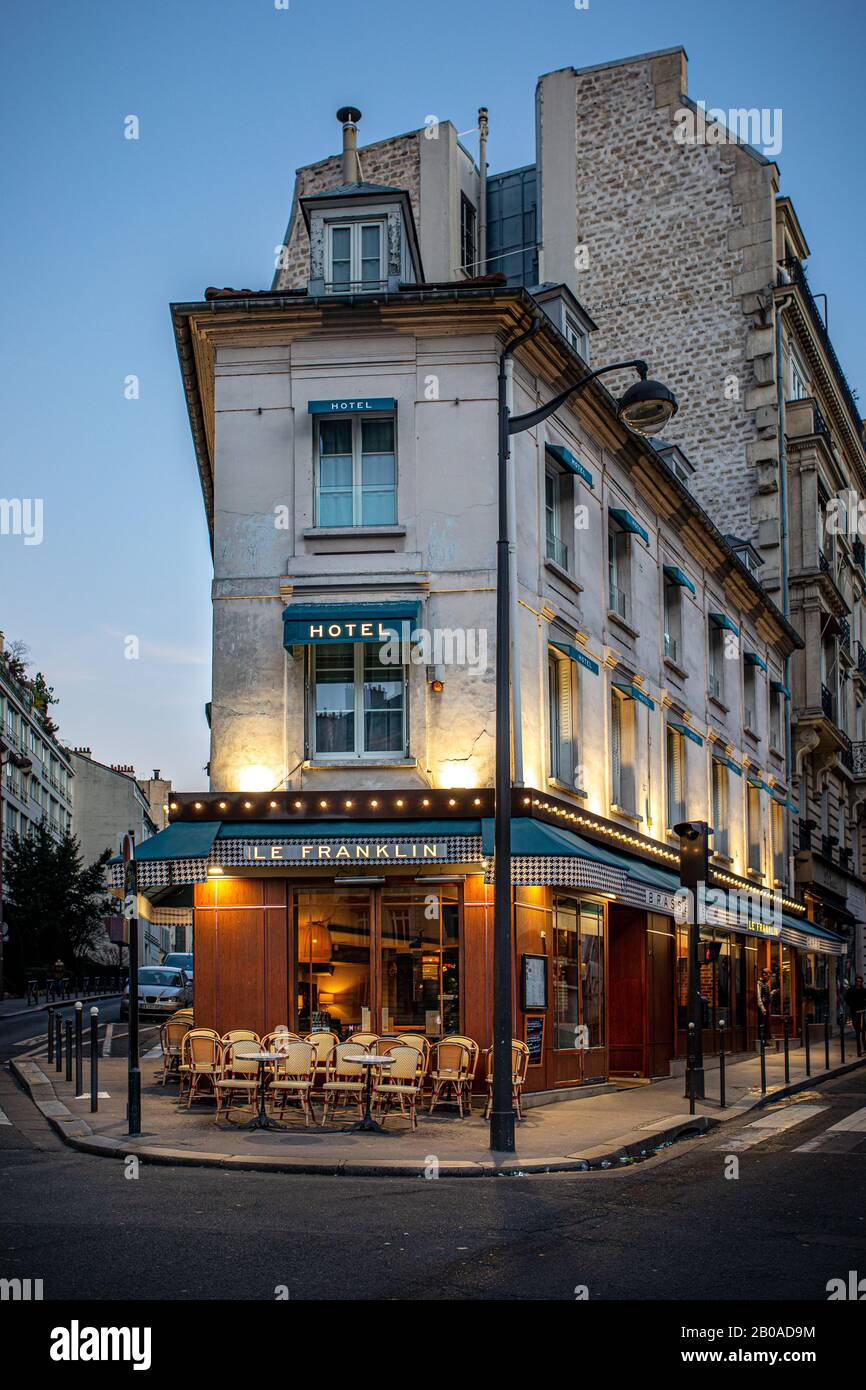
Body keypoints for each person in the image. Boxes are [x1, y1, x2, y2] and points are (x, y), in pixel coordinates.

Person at [845, 975, 866, 1056]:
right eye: (857, 981)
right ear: (855, 982)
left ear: (861, 982)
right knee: (857, 1031)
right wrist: (852, 1005)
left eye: (860, 981)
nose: (859, 983)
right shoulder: (851, 990)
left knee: (863, 1030)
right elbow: (846, 999)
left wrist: (864, 1006)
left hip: (862, 1012)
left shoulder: (864, 991)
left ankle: (864, 1048)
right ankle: (859, 1050)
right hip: (854, 1012)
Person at [757, 968, 772, 1046]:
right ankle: (762, 1041)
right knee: (762, 1024)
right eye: (768, 975)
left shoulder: (765, 984)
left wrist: (771, 993)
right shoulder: (759, 983)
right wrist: (762, 1008)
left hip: (766, 1006)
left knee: (765, 1023)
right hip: (762, 1008)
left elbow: (766, 995)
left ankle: (765, 1040)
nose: (769, 977)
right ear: (764, 974)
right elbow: (759, 996)